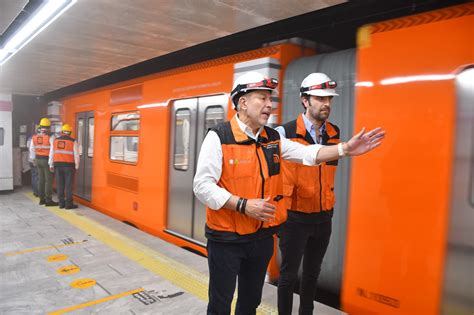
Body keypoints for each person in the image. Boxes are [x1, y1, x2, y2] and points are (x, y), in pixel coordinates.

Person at [193, 71, 385, 315]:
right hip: (226, 241)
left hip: (261, 239)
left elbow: (307, 154)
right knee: (220, 305)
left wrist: (345, 149)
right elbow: (202, 185)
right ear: (242, 102)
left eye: (269, 99)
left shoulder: (272, 138)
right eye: (261, 98)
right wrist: (243, 205)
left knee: (249, 304)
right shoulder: (219, 137)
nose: (269, 105)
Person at [276, 73, 343, 314]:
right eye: (320, 98)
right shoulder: (284, 132)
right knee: (288, 276)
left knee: (313, 274)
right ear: (305, 100)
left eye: (329, 99)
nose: (327, 103)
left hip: (323, 217)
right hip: (294, 218)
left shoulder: (334, 133)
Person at [49, 123, 80, 209]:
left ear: (62, 131)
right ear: (70, 132)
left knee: (60, 185)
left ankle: (61, 203)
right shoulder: (73, 141)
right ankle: (69, 204)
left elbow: (51, 153)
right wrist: (76, 166)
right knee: (69, 185)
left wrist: (51, 164)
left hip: (57, 166)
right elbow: (76, 155)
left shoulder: (55, 141)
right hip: (69, 166)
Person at [30, 117, 58, 206]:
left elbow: (32, 149)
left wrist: (33, 159)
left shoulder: (35, 136)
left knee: (41, 180)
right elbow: (52, 151)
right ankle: (48, 200)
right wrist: (51, 163)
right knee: (48, 181)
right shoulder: (50, 136)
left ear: (41, 126)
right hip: (46, 161)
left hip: (38, 160)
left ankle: (41, 199)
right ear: (49, 127)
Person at [27, 125, 40, 197]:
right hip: (34, 159)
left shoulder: (30, 137)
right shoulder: (37, 138)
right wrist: (34, 159)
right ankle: (37, 192)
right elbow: (33, 149)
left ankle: (35, 191)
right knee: (37, 176)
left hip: (30, 159)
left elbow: (28, 147)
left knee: (33, 175)